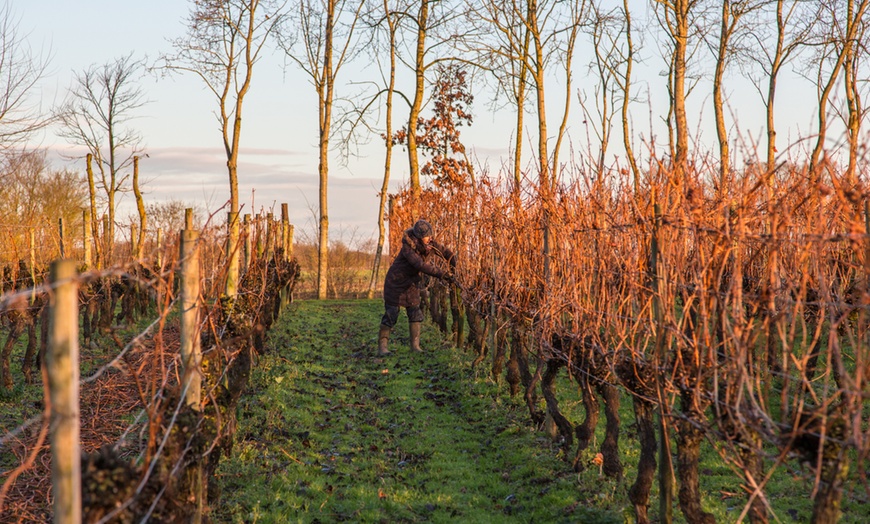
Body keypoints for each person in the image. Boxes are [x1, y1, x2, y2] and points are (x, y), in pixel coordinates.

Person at [378, 219, 456, 355]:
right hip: (395, 283)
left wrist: (454, 265)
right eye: (427, 236)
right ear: (419, 237)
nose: (430, 238)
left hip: (411, 284)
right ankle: (382, 348)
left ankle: (415, 347)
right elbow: (420, 265)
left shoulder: (430, 244)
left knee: (415, 313)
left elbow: (445, 252)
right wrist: (441, 274)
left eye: (431, 235)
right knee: (392, 314)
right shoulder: (408, 248)